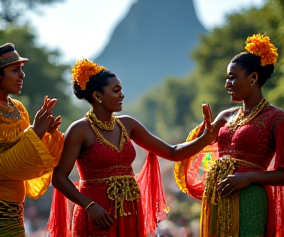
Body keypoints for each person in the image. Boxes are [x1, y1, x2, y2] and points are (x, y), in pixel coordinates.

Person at [46, 58, 222, 237]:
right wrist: (89, 205)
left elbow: (172, 152)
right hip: (98, 215)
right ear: (98, 96)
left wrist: (205, 139)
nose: (122, 95)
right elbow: (59, 178)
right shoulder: (80, 130)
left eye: (121, 90)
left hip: (130, 212)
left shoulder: (128, 125)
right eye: (116, 91)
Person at [174, 33, 284, 236]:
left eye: (233, 77)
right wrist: (203, 139)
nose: (227, 83)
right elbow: (197, 151)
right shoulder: (224, 117)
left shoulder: (277, 119)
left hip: (250, 198)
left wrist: (249, 177)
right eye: (227, 78)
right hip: (217, 197)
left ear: (253, 78)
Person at [0, 43, 65, 237]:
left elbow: (24, 153)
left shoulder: (19, 109)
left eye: (22, 70)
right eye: (14, 70)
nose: (22, 75)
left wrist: (44, 134)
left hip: (14, 212)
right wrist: (35, 132)